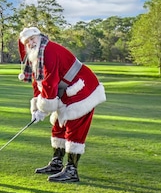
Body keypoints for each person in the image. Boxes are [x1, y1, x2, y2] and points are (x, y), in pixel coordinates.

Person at [18, 26, 106, 182]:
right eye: (27, 41)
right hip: (65, 92)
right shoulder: (35, 57)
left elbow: (50, 82)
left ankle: (72, 170)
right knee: (58, 125)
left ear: (39, 37)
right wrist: (36, 108)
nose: (30, 43)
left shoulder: (49, 52)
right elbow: (38, 83)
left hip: (81, 90)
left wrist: (43, 110)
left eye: (33, 39)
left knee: (74, 127)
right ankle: (57, 162)